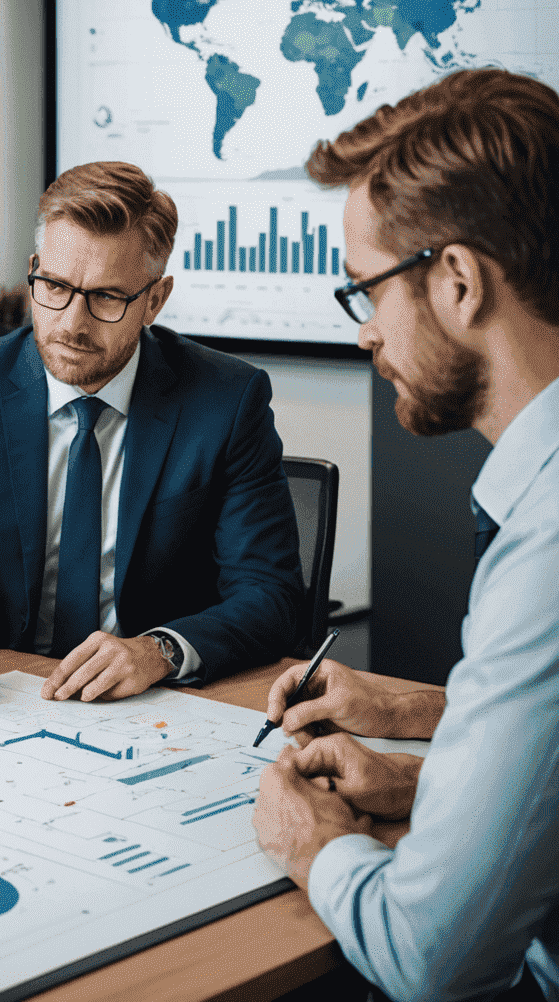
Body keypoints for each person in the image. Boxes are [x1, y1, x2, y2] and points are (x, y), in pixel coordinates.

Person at [252, 68, 559, 1002]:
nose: (366, 335)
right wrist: (427, 735)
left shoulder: (548, 547)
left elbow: (429, 955)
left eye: (368, 292)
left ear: (459, 282)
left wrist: (310, 839)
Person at [0, 160, 303, 701]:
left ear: (154, 301)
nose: (71, 323)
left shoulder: (226, 400)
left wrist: (158, 651)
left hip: (156, 698)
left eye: (106, 298)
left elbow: (270, 595)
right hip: (1, 685)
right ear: (34, 271)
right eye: (54, 285)